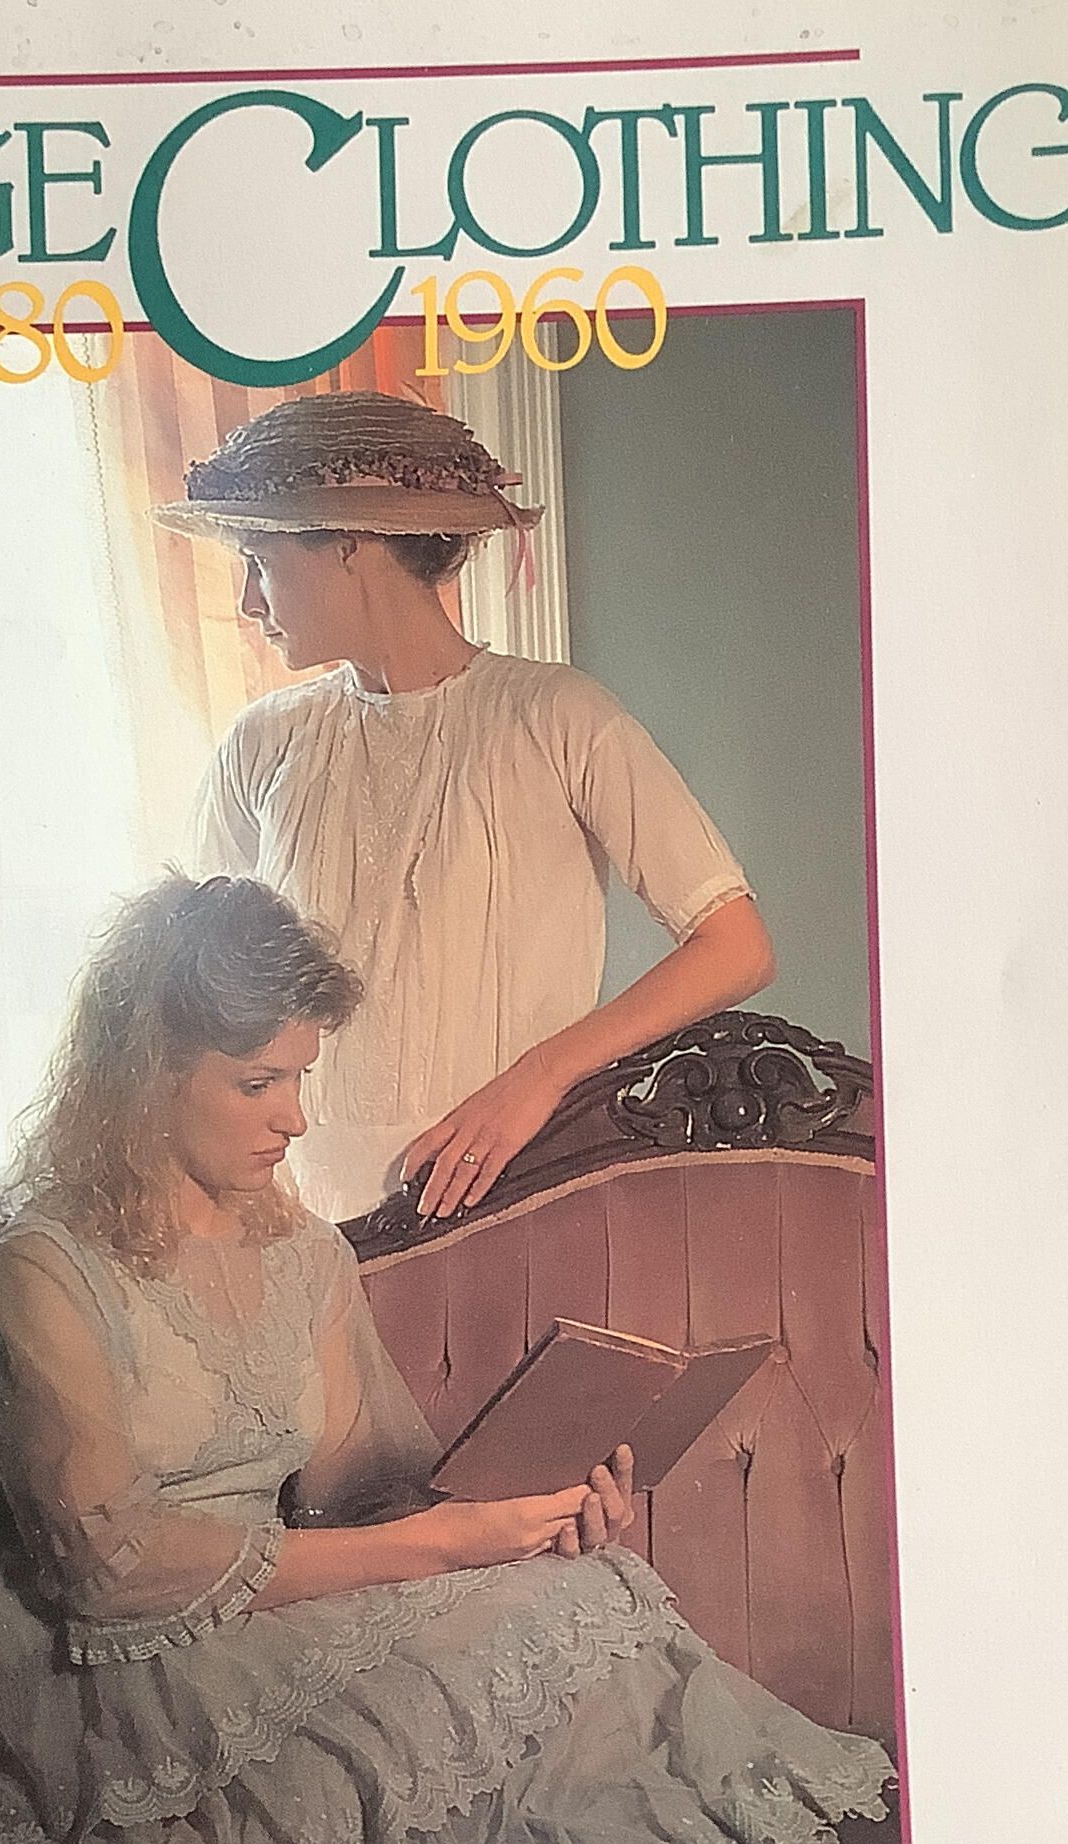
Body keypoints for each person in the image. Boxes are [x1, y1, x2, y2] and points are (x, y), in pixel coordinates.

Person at [0, 875, 891, 1844]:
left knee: (589, 1590)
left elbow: (362, 1487)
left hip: (262, 1594)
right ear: (147, 1073)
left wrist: (527, 1509)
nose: (295, 1117)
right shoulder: (41, 1269)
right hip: (93, 1652)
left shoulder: (300, 1251)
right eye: (259, 1082)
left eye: (300, 1077)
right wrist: (441, 1546)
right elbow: (108, 1566)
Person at [157, 389, 777, 1222]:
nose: (249, 604)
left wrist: (539, 1076)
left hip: (507, 1202)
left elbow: (736, 947)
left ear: (348, 544)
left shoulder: (558, 716)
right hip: (295, 1213)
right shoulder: (264, 741)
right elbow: (191, 988)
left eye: (260, 562)